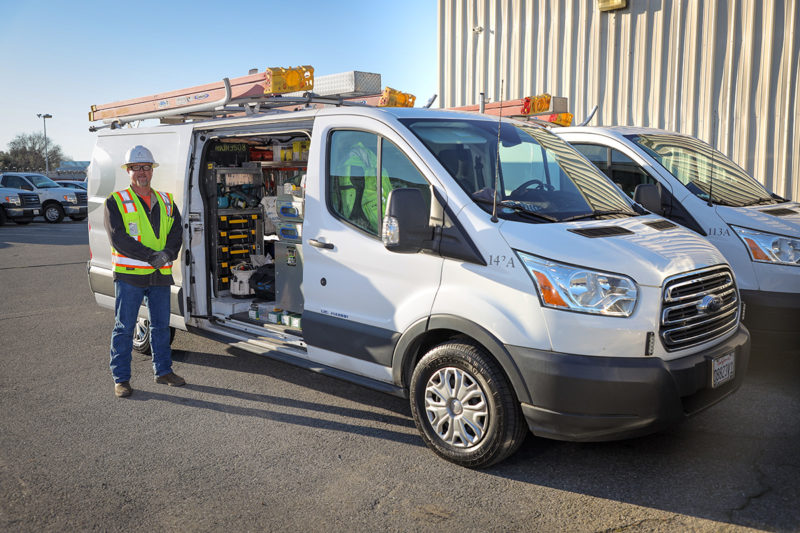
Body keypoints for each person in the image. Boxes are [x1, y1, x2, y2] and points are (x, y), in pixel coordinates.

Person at [105, 145, 185, 397]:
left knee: (161, 326)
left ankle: (163, 372)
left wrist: (168, 254)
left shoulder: (167, 200)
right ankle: (121, 379)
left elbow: (177, 232)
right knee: (124, 327)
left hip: (159, 274)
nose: (142, 172)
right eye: (137, 167)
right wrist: (152, 256)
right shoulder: (115, 201)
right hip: (130, 275)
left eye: (147, 167)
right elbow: (118, 238)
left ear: (152, 171)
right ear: (128, 171)